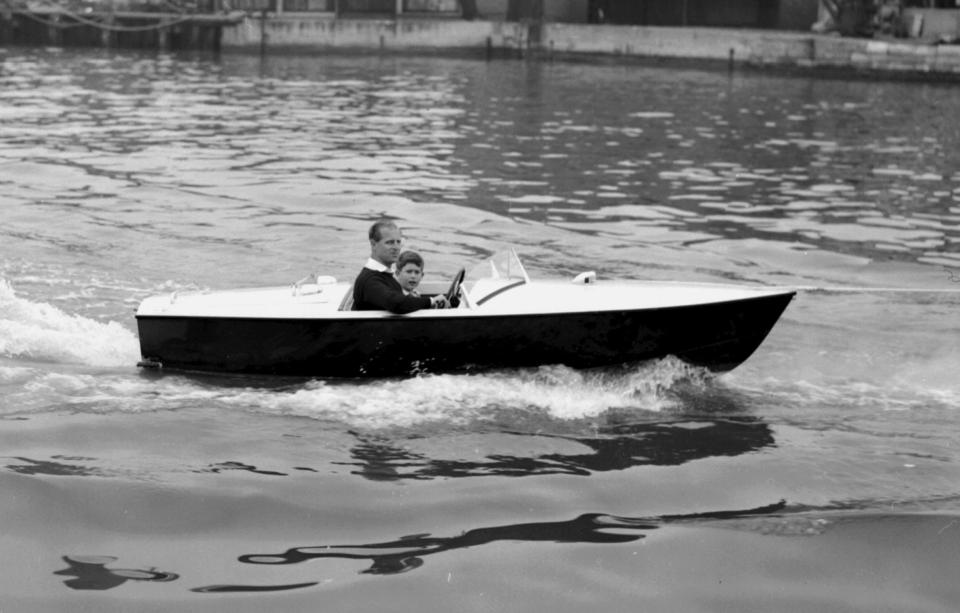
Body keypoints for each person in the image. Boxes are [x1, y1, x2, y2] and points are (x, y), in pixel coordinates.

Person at [352, 220, 447, 313]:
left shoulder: (384, 275)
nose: (396, 247)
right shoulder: (370, 280)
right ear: (373, 244)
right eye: (390, 242)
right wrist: (431, 301)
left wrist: (413, 298)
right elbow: (396, 304)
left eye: (398, 242)